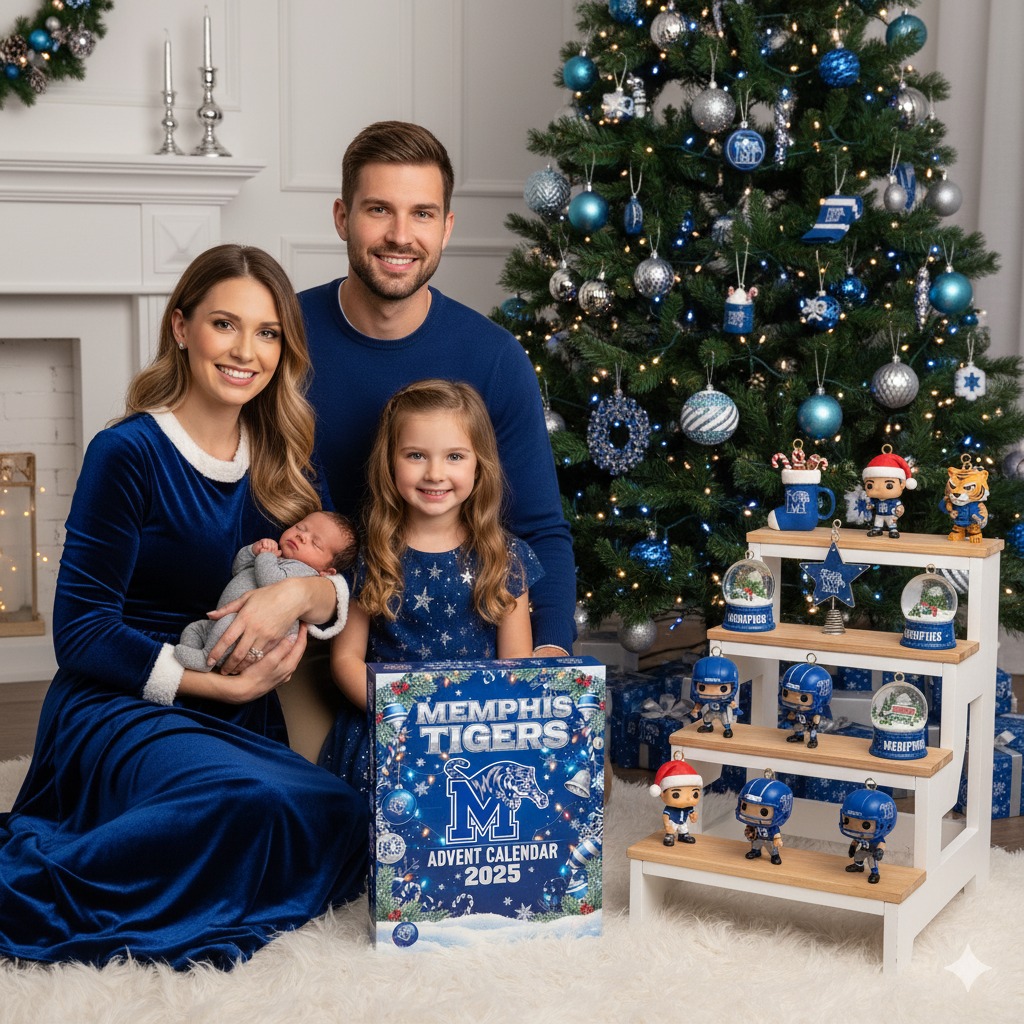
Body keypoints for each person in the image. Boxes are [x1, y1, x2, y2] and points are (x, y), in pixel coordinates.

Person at [0, 245, 368, 970]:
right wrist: (215, 683)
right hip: (120, 705)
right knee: (245, 803)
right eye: (224, 324)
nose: (245, 351)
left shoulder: (284, 453)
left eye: (267, 333)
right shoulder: (128, 452)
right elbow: (80, 633)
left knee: (341, 813)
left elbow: (330, 566)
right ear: (181, 327)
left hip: (237, 713)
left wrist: (305, 592)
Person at [298, 120, 576, 665]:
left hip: (460, 653)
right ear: (341, 218)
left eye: (421, 213)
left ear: (446, 227)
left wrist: (547, 651)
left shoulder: (493, 358)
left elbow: (539, 527)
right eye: (379, 209)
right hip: (308, 637)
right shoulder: (284, 337)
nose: (401, 236)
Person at [330, 379, 543, 712]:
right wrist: (395, 715)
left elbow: (515, 668)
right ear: (390, 462)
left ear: (479, 465)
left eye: (454, 456)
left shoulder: (505, 557)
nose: (435, 473)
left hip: (477, 730)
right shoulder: (368, 552)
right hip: (390, 728)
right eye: (416, 455)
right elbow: (346, 658)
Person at [175, 510, 357, 672]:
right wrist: (253, 551)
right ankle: (193, 655)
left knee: (230, 624)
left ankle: (206, 659)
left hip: (245, 635)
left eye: (315, 543)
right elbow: (238, 569)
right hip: (218, 625)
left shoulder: (304, 572)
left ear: (326, 571)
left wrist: (265, 556)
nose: (302, 536)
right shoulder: (276, 557)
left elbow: (270, 580)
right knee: (195, 629)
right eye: (300, 528)